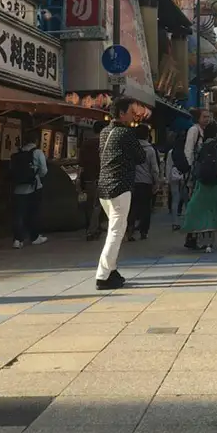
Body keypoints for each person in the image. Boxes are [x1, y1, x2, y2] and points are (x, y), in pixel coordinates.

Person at [95, 97, 148, 291]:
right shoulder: (126, 133)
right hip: (120, 187)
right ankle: (103, 275)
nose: (134, 115)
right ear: (122, 113)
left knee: (115, 229)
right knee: (116, 232)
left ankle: (112, 270)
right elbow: (141, 157)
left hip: (104, 187)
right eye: (132, 112)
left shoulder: (104, 132)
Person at [181, 121, 217, 252]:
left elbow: (196, 165)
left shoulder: (201, 147)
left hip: (202, 183)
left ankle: (200, 239)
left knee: (200, 209)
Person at [11, 129, 49, 249]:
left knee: (19, 214)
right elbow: (44, 170)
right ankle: (34, 237)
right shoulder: (37, 152)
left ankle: (17, 239)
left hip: (17, 188)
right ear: (36, 140)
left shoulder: (17, 153)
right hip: (34, 187)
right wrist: (37, 176)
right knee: (33, 212)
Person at [183, 108, 212, 250]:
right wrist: (190, 171)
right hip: (194, 174)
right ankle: (191, 236)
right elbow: (188, 150)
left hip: (198, 173)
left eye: (208, 117)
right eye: (204, 116)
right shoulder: (194, 131)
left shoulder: (203, 132)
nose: (207, 119)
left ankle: (193, 236)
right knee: (194, 204)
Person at [128, 124, 161, 241]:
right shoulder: (150, 150)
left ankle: (130, 232)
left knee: (132, 207)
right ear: (147, 135)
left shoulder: (130, 148)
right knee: (145, 208)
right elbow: (154, 168)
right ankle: (143, 232)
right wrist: (157, 182)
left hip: (132, 182)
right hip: (146, 183)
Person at [78, 121, 104, 241]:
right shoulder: (104, 144)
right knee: (97, 205)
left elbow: (81, 164)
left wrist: (79, 179)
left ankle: (93, 226)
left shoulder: (85, 144)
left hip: (88, 178)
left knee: (90, 205)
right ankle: (92, 230)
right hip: (100, 178)